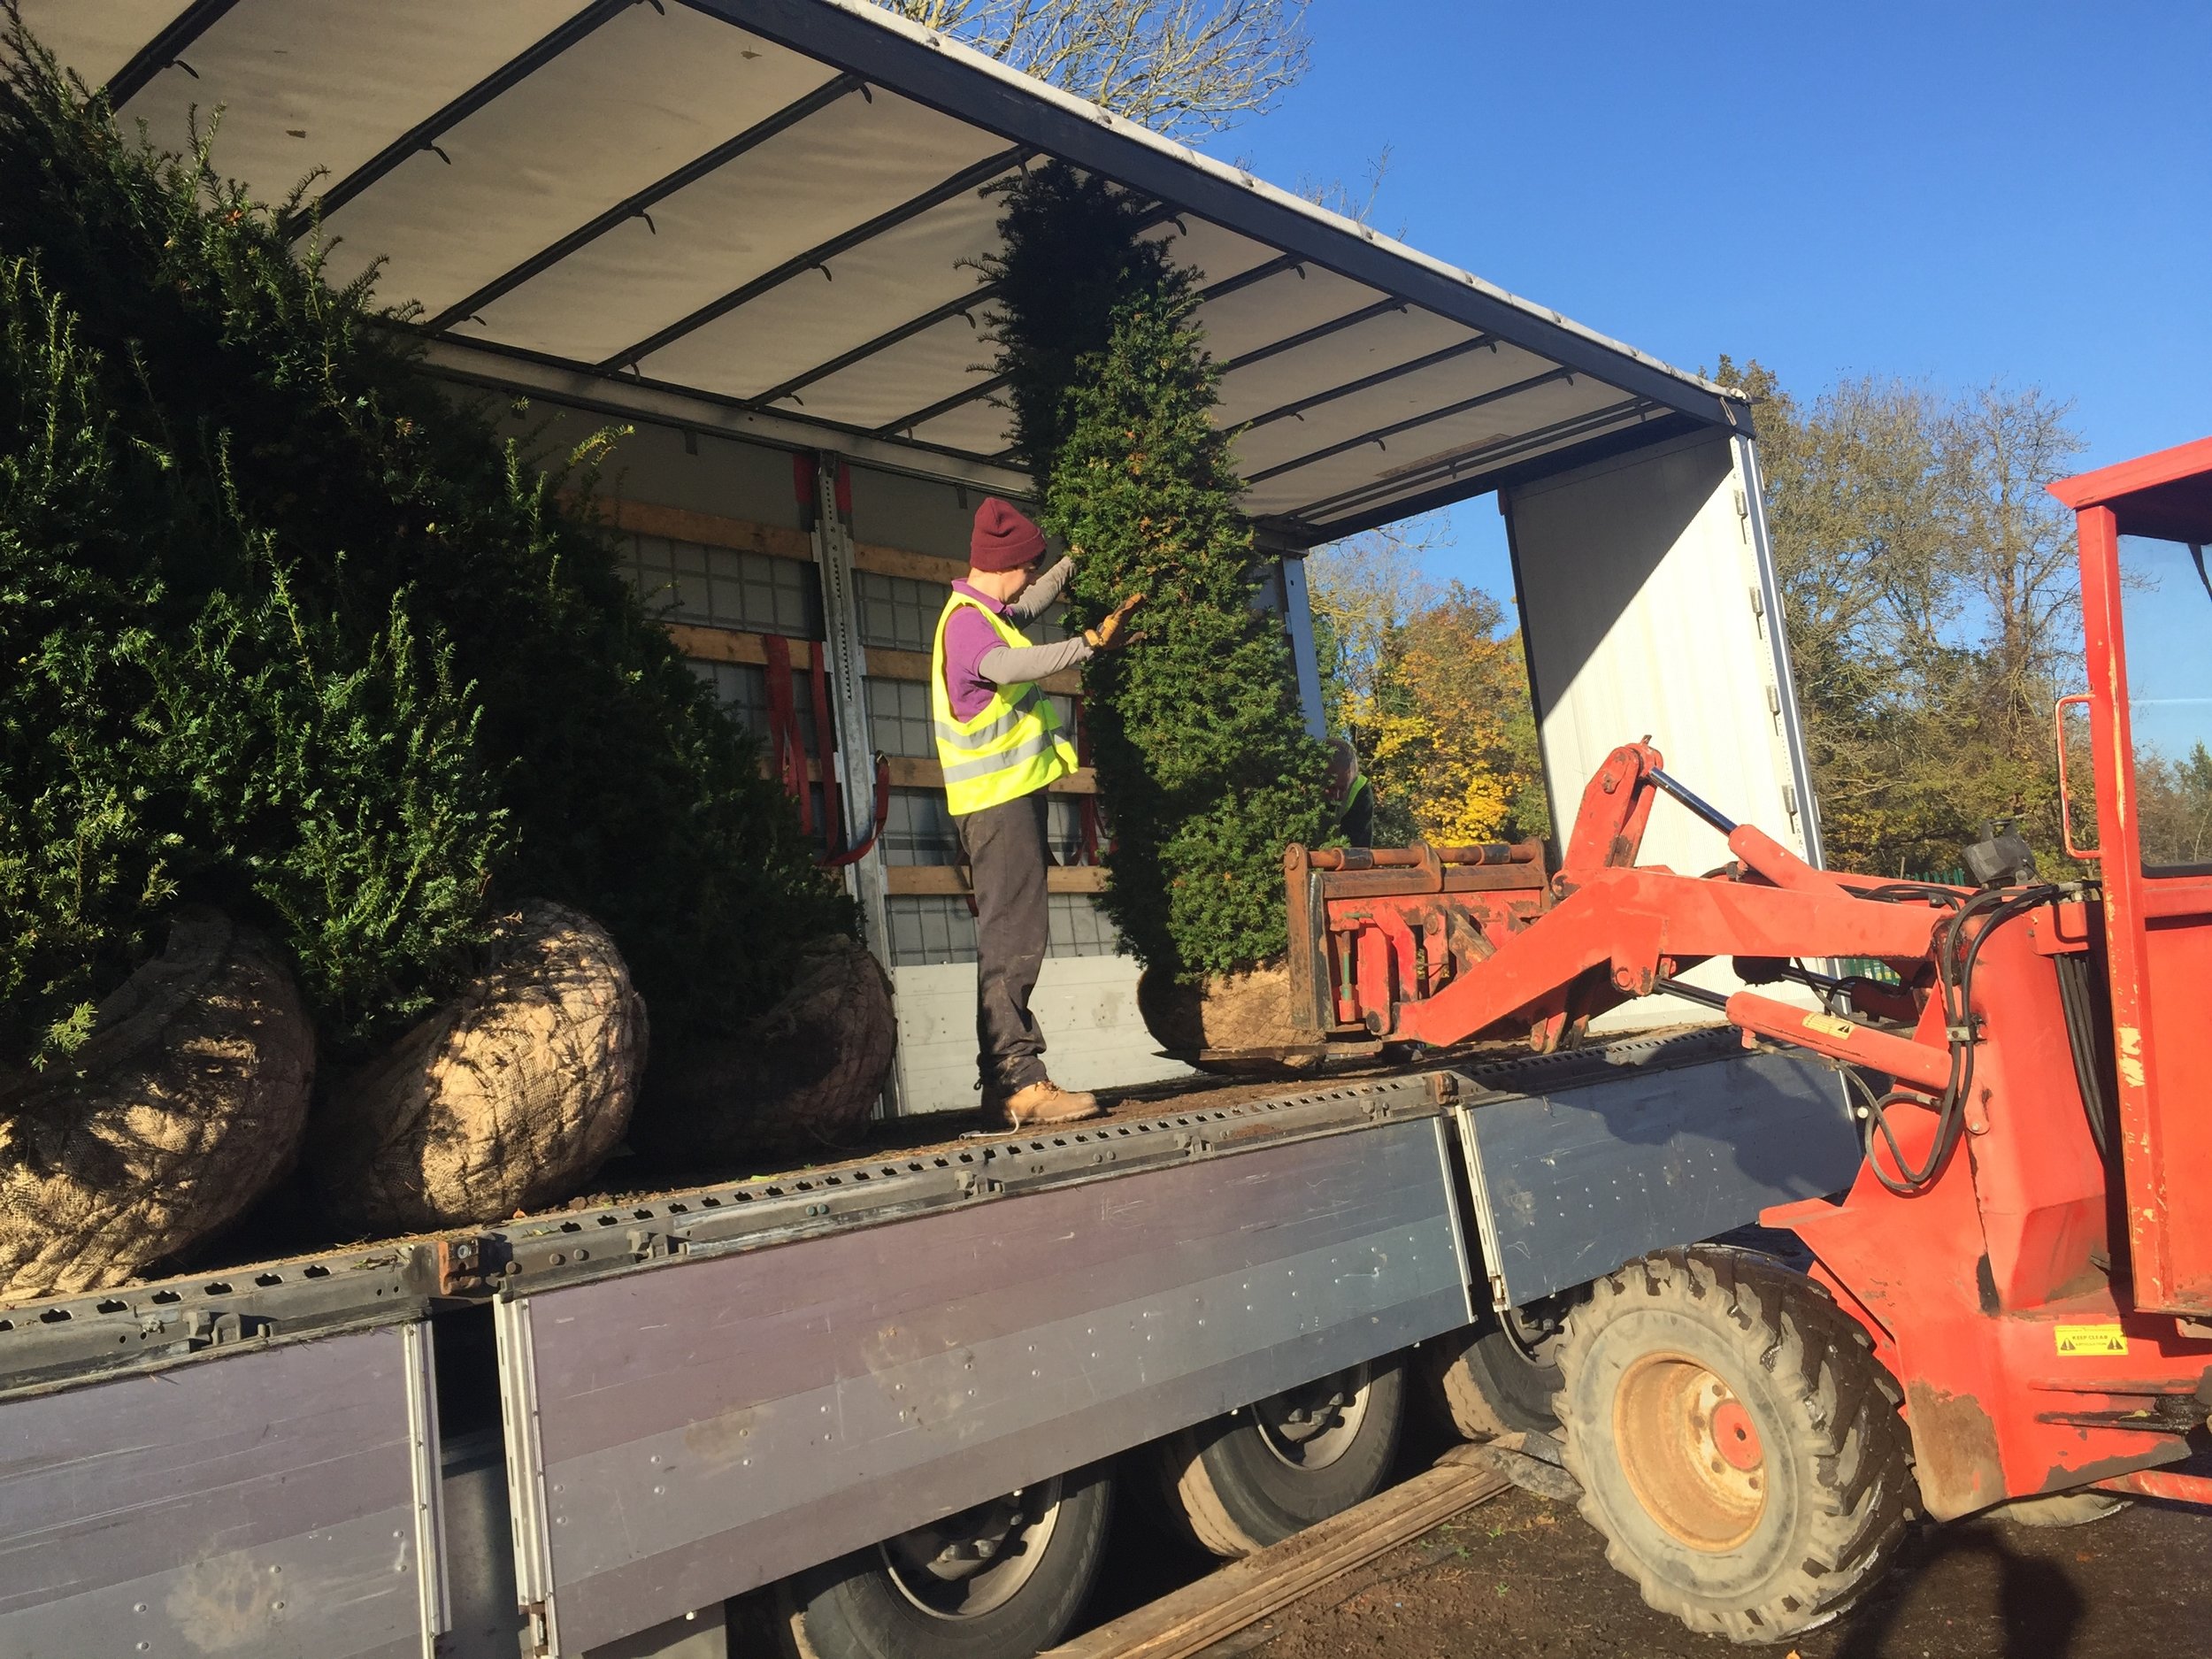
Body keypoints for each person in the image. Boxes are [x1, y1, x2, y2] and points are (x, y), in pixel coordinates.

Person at [933, 497, 1143, 1128]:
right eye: (1029, 567)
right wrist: (1086, 645)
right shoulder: (970, 625)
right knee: (1013, 940)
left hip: (1005, 803)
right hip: (995, 807)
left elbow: (1032, 604)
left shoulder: (990, 609)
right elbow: (1010, 665)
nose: (1033, 578)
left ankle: (1004, 1085)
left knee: (1012, 936)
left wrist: (1078, 560)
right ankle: (1020, 1081)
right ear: (1006, 564)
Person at [1325, 737, 1374, 849]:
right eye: (1331, 788)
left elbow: (1360, 846)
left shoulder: (1361, 789)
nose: (1337, 796)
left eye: (1342, 789)